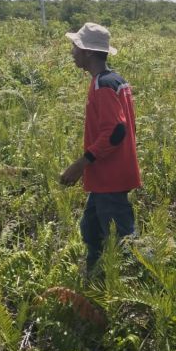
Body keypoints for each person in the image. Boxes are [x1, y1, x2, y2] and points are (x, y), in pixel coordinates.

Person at [60, 22, 141, 273]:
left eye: (75, 47)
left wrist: (79, 165)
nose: (72, 52)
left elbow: (116, 132)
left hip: (110, 177)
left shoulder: (103, 85)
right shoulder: (114, 80)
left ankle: (141, 279)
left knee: (125, 241)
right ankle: (95, 275)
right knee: (91, 229)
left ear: (87, 52)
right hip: (106, 177)